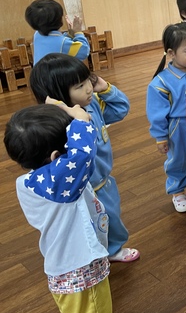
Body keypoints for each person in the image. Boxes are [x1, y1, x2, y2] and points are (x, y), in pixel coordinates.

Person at [3, 103, 144, 313]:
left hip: (73, 262)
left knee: (95, 306)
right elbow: (82, 155)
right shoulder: (59, 184)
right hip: (80, 267)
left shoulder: (30, 181)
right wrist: (80, 120)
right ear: (56, 158)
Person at [30, 53, 139, 263]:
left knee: (111, 218)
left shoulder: (93, 104)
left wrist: (105, 88)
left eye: (87, 81)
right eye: (79, 86)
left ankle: (113, 250)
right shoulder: (59, 124)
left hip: (104, 182)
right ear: (58, 95)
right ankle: (94, 257)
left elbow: (121, 109)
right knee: (89, 226)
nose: (89, 88)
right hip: (82, 190)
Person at [146, 23, 186, 212]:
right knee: (179, 159)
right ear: (171, 53)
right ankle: (177, 192)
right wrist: (160, 137)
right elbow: (157, 113)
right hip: (179, 127)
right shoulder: (161, 82)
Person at [25, 0, 90, 65]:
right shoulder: (63, 44)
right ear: (60, 21)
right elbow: (84, 51)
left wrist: (71, 33)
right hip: (57, 72)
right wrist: (78, 32)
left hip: (39, 71)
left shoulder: (37, 35)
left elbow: (55, 41)